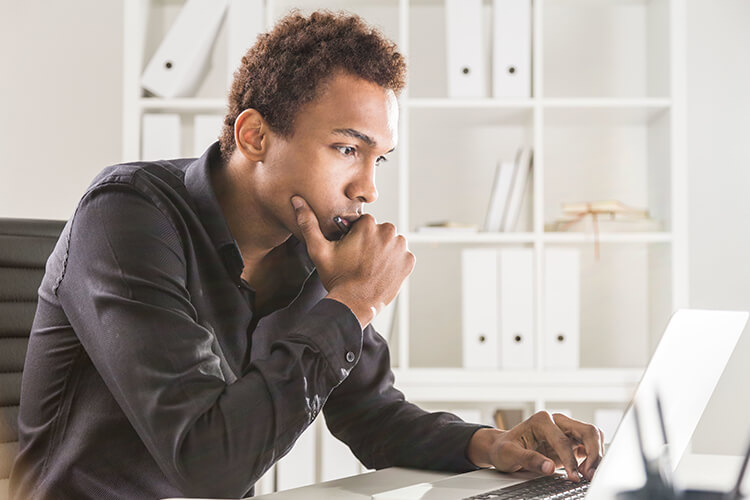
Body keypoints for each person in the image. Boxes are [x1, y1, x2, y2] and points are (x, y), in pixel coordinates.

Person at [10, 10, 604, 500]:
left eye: (380, 159)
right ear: (254, 136)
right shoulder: (127, 217)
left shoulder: (313, 243)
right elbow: (207, 465)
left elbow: (370, 412)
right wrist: (353, 302)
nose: (368, 187)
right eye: (348, 148)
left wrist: (488, 444)